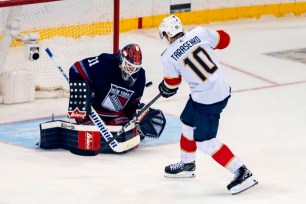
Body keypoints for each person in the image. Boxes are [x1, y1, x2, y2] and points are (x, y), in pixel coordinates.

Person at [157, 15, 258, 195]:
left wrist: (165, 87)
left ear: (166, 34)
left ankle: (242, 171)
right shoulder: (200, 32)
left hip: (207, 100)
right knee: (187, 121)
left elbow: (172, 84)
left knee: (205, 141)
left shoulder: (168, 56)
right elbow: (224, 39)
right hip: (216, 90)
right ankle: (187, 164)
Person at [68, 43, 146, 126]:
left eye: (135, 68)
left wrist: (137, 113)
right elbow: (76, 69)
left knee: (126, 132)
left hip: (117, 116)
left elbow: (133, 102)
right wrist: (86, 92)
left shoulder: (140, 76)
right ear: (121, 59)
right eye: (129, 66)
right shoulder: (105, 62)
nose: (132, 70)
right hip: (93, 113)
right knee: (93, 133)